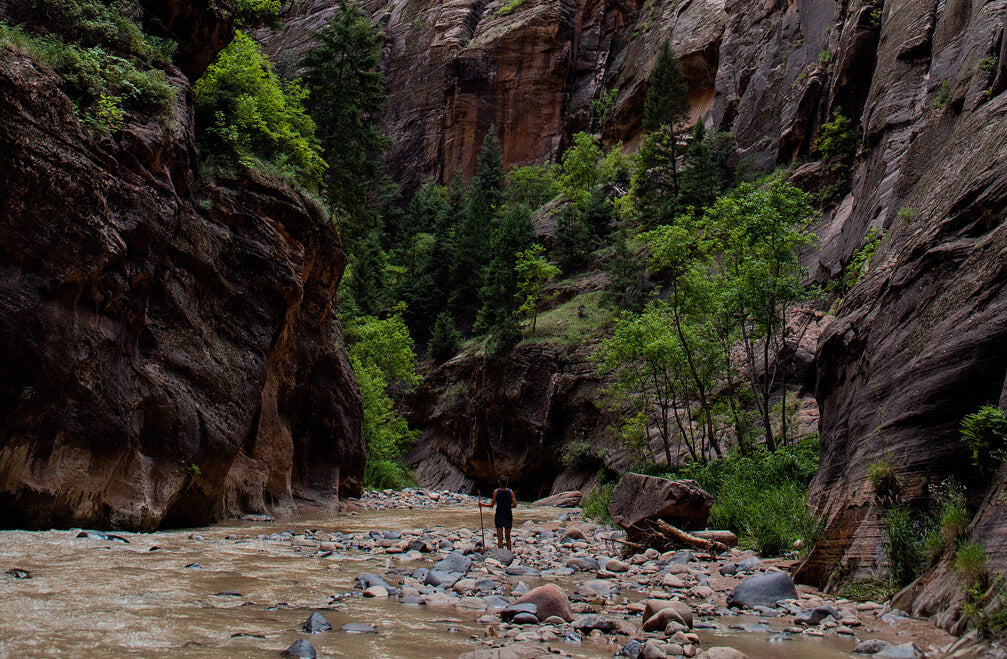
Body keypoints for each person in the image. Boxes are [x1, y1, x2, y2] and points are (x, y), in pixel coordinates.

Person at [479, 476, 517, 551]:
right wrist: (509, 507)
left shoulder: (496, 492)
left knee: (500, 538)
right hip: (508, 515)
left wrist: (482, 504)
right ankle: (509, 553)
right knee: (508, 537)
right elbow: (515, 505)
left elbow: (491, 505)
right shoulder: (510, 492)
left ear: (499, 482)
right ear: (507, 483)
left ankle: (501, 553)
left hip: (499, 516)